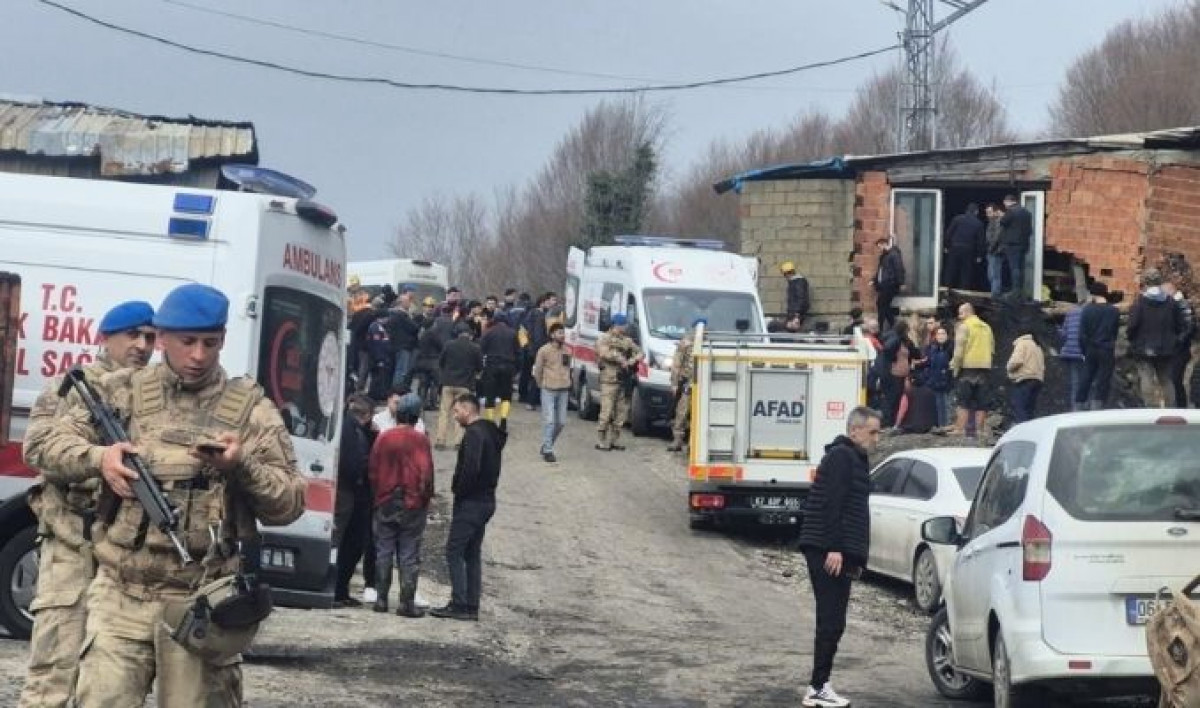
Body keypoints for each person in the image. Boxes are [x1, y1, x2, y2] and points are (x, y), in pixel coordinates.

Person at [23, 283, 305, 707]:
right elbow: (42, 446)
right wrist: (100, 458)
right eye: (187, 342)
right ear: (163, 339)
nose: (198, 355)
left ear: (223, 340)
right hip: (121, 592)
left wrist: (241, 464)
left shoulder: (250, 409)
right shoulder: (121, 391)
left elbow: (289, 504)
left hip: (200, 601)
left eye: (210, 343)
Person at [19, 301, 156, 708]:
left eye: (150, 337)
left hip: (128, 550)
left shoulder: (152, 395)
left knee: (109, 681)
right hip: (73, 544)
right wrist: (98, 459)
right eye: (132, 334)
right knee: (53, 675)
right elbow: (38, 449)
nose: (142, 345)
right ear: (105, 338)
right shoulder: (71, 389)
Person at [796, 407, 881, 708]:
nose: (876, 438)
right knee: (831, 619)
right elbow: (833, 504)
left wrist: (853, 557)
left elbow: (852, 509)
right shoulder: (842, 457)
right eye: (872, 432)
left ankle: (820, 684)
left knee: (834, 620)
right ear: (854, 430)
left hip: (835, 549)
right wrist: (834, 548)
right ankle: (817, 687)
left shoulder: (854, 458)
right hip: (827, 549)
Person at [431, 395, 506, 621]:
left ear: (467, 409)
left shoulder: (474, 434)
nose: (454, 417)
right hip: (486, 500)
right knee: (472, 553)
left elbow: (471, 468)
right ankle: (471, 605)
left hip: (471, 502)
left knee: (454, 551)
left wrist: (459, 491)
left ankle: (459, 603)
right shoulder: (491, 432)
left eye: (456, 411)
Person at [369, 393, 434, 617]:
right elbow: (426, 473)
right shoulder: (420, 440)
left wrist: (378, 495)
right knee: (408, 552)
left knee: (383, 549)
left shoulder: (384, 438)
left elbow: (373, 470)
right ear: (416, 417)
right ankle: (406, 603)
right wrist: (425, 499)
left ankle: (381, 599)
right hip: (412, 502)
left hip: (385, 500)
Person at [333, 395, 377, 608]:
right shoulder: (354, 432)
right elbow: (353, 464)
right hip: (349, 493)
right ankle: (337, 590)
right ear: (367, 415)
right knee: (349, 542)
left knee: (348, 542)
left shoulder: (348, 427)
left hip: (346, 492)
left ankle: (339, 590)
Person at [1127, 269, 1183, 408]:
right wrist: (1174, 339)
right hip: (1166, 348)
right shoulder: (1171, 302)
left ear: (1145, 282)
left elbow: (1132, 325)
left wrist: (1132, 338)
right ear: (1159, 281)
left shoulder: (1140, 302)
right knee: (1166, 379)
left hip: (1144, 347)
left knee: (1146, 377)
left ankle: (1150, 408)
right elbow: (1179, 324)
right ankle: (1170, 408)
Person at [594, 313, 643, 452]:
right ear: (616, 325)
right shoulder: (604, 338)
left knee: (621, 413)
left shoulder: (627, 340)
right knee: (606, 412)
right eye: (623, 325)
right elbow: (604, 353)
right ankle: (601, 440)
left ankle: (614, 440)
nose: (625, 327)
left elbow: (640, 353)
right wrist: (620, 358)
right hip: (609, 380)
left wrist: (631, 361)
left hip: (623, 380)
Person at [950, 303, 995, 438]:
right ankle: (979, 430)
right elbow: (992, 349)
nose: (959, 316)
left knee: (963, 400)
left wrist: (955, 368)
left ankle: (960, 429)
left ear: (968, 312)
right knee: (982, 402)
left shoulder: (964, 327)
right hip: (984, 368)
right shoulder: (987, 327)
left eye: (961, 313)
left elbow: (959, 351)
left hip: (967, 368)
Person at [1077, 282, 1121, 411]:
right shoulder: (1113, 311)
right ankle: (1097, 406)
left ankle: (1080, 404)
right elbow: (1114, 332)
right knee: (1103, 379)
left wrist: (1084, 350)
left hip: (1090, 348)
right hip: (1106, 348)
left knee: (1086, 376)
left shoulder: (1086, 310)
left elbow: (1082, 334)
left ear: (1093, 294)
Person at [437, 328, 483, 450]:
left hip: (448, 383)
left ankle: (440, 440)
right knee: (461, 412)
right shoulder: (475, 348)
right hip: (465, 384)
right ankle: (458, 442)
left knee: (444, 412)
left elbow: (441, 362)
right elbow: (480, 367)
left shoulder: (449, 345)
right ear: (470, 336)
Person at [532, 322, 571, 463]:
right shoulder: (544, 350)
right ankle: (548, 450)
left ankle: (546, 445)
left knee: (561, 422)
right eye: (559, 333)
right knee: (549, 421)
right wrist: (540, 383)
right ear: (552, 335)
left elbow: (568, 367)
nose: (562, 335)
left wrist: (568, 381)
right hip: (548, 388)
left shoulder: (567, 350)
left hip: (563, 389)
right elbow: (538, 369)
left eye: (563, 332)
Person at [478, 309, 521, 430]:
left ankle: (491, 422)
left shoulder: (488, 332)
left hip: (492, 366)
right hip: (508, 366)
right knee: (506, 395)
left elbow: (481, 350)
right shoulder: (513, 333)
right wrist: (516, 369)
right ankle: (503, 419)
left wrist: (480, 367)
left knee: (490, 395)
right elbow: (518, 353)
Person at [879, 320, 921, 429]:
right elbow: (887, 350)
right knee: (892, 398)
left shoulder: (905, 341)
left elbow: (916, 354)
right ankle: (888, 422)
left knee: (898, 398)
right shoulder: (895, 339)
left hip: (901, 374)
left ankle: (893, 422)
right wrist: (893, 359)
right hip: (894, 374)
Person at [667, 320, 701, 452]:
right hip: (688, 383)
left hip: (702, 384)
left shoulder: (707, 342)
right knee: (682, 411)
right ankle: (678, 440)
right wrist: (675, 383)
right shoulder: (686, 343)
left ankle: (694, 443)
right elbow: (676, 364)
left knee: (699, 414)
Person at [1163, 279, 1196, 407]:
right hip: (1178, 348)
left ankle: (1180, 406)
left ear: (1171, 291)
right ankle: (1179, 405)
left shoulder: (1181, 304)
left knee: (1175, 379)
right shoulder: (1175, 304)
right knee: (1174, 380)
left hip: (1179, 350)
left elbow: (1189, 327)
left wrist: (1176, 341)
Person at [918, 324, 954, 428]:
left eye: (943, 333)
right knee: (938, 403)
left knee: (947, 403)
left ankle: (947, 425)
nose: (941, 336)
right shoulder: (932, 348)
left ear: (947, 335)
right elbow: (928, 362)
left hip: (947, 380)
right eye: (939, 334)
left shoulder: (951, 348)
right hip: (935, 379)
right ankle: (940, 424)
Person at [1007, 328, 1045, 424]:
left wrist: (1008, 368)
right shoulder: (1037, 346)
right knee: (1030, 410)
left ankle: (1022, 429)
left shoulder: (1022, 343)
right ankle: (1030, 429)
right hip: (1037, 380)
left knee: (1020, 408)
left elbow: (1016, 361)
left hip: (1024, 379)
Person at [943, 203, 985, 290]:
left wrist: (946, 246)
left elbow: (948, 233)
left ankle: (947, 288)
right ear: (976, 212)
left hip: (955, 247)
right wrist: (979, 255)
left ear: (966, 210)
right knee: (966, 272)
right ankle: (964, 290)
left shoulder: (957, 219)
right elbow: (980, 241)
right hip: (969, 249)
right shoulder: (979, 223)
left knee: (951, 269)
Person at [999, 194, 1033, 297]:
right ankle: (1020, 290)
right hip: (1023, 244)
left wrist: (1002, 215)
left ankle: (1015, 290)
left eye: (1005, 203)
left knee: (1014, 268)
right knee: (1021, 268)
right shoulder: (1027, 212)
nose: (1004, 205)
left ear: (1009, 201)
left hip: (1012, 245)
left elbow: (1003, 222)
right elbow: (1029, 230)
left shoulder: (1011, 211)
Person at [387, 290, 420, 387]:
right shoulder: (402, 315)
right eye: (408, 301)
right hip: (403, 346)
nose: (410, 304)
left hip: (395, 345)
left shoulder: (392, 314)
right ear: (402, 303)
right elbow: (414, 327)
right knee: (401, 370)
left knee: (397, 369)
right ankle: (397, 389)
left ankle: (394, 388)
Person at [871, 237, 905, 332]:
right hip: (884, 285)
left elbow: (899, 268)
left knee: (881, 304)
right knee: (883, 305)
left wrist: (901, 282)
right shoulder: (884, 256)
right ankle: (891, 325)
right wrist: (874, 280)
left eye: (879, 247)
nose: (879, 249)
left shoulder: (894, 254)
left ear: (884, 244)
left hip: (890, 284)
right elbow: (880, 271)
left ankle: (884, 326)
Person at [1058, 299, 1086, 411]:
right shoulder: (1087, 314)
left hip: (1070, 352)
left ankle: (1075, 409)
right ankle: (1085, 407)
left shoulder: (1070, 313)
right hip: (1084, 353)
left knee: (1075, 382)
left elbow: (1063, 334)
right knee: (1087, 381)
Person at [366, 299, 394, 402]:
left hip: (383, 357)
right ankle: (373, 396)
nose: (388, 319)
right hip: (377, 359)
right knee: (376, 378)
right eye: (386, 317)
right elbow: (376, 345)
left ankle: (379, 395)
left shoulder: (382, 327)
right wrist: (379, 359)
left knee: (381, 378)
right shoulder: (375, 328)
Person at [984, 203, 1007, 297]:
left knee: (994, 275)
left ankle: (995, 295)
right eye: (987, 212)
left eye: (989, 212)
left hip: (996, 251)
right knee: (991, 274)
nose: (988, 215)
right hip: (993, 251)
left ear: (995, 212)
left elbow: (997, 236)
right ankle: (995, 293)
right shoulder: (992, 221)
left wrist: (991, 248)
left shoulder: (999, 221)